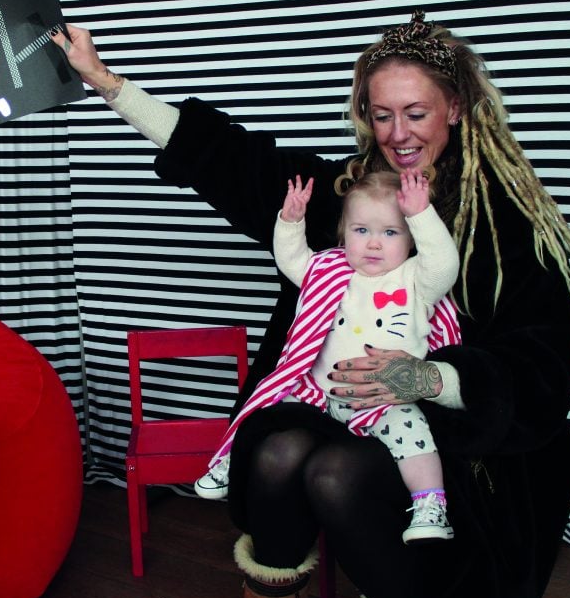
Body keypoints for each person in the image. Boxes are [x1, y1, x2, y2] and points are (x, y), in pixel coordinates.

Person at [51, 11, 570, 598]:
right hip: (327, 399)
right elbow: (229, 161)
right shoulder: (342, 193)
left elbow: (541, 366)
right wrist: (105, 81)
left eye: (416, 113)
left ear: (457, 108)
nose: (398, 133)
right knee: (279, 451)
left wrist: (427, 378)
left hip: (445, 438)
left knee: (336, 471)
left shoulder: (500, 223)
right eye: (382, 114)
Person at [195, 169, 461, 546]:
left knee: (415, 438)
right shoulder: (329, 271)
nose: (373, 244)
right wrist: (290, 221)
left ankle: (430, 504)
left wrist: (421, 214)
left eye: (390, 232)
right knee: (266, 413)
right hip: (317, 393)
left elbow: (444, 265)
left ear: (411, 238)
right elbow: (293, 261)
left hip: (382, 401)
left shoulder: (416, 279)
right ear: (343, 232)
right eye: (361, 230)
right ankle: (230, 460)